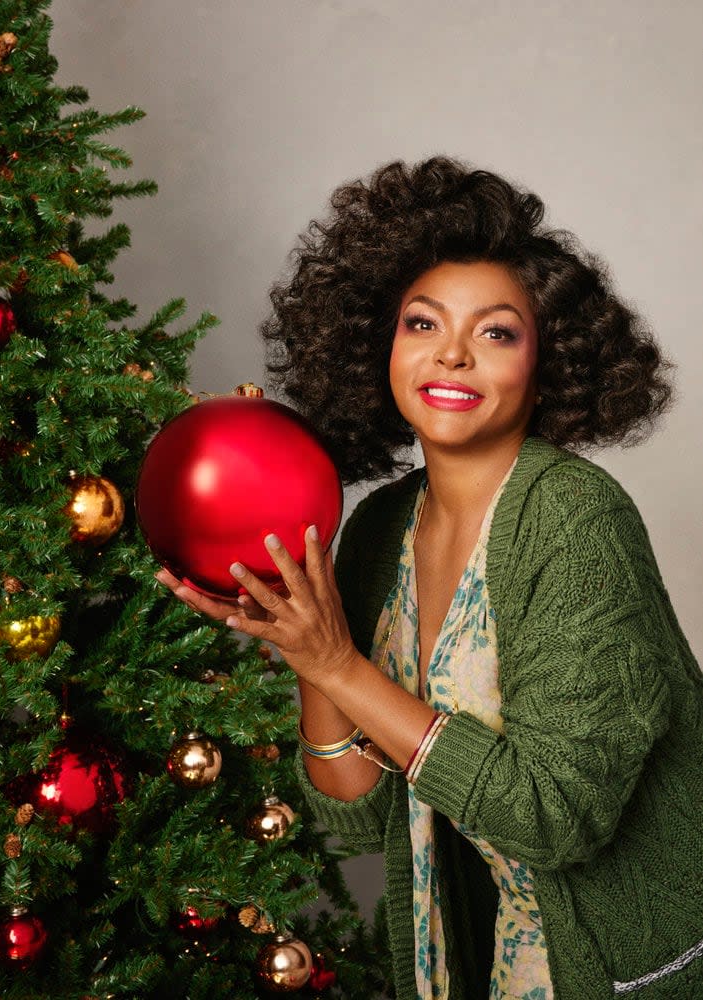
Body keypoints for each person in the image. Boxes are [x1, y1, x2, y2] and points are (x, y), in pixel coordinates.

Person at [156, 157, 703, 1000]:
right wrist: (308, 647)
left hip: (621, 964)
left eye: (495, 332)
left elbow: (555, 818)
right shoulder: (378, 529)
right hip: (456, 950)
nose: (450, 354)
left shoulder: (574, 521)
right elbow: (360, 813)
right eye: (421, 323)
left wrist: (339, 664)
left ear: (546, 361)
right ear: (379, 343)